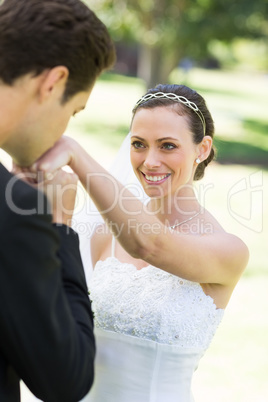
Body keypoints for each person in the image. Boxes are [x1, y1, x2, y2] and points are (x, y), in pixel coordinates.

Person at [32, 84, 249, 402]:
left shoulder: (227, 251)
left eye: (167, 146)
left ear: (202, 149)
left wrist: (76, 155)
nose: (149, 161)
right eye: (138, 144)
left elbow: (149, 245)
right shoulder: (104, 235)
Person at [0, 0, 115, 401]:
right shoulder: (12, 214)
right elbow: (67, 379)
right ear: (53, 83)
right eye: (74, 110)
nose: (65, 128)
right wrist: (59, 225)